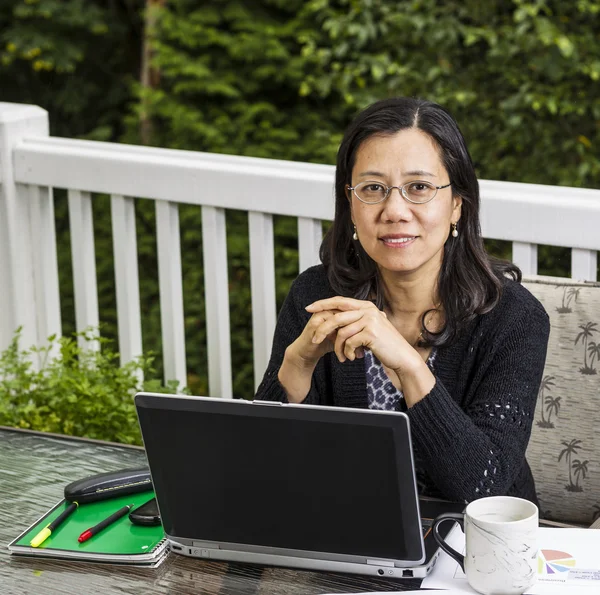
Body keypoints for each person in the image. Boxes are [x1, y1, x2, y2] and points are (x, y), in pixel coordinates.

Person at [255, 97, 549, 505]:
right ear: (351, 205)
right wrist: (296, 365)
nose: (395, 210)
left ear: (457, 206)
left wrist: (409, 365)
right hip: (347, 533)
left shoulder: (514, 319)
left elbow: (485, 488)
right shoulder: (316, 295)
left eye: (419, 188)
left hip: (473, 550)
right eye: (373, 188)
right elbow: (263, 464)